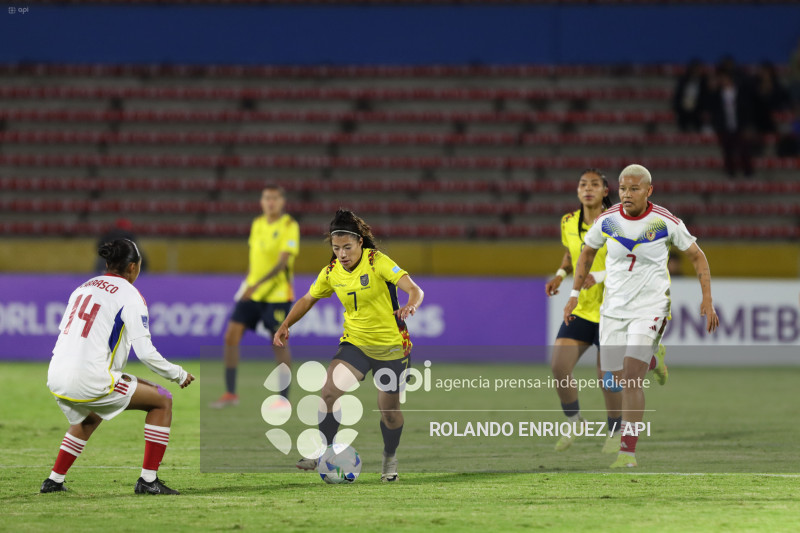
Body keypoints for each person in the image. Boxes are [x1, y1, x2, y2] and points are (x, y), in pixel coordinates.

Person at [564, 164, 719, 469]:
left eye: (634, 189)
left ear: (649, 190)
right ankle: (654, 361)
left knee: (632, 378)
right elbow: (586, 253)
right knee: (612, 381)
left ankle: (627, 453)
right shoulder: (607, 220)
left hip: (650, 307)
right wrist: (573, 294)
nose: (627, 194)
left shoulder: (664, 221)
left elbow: (697, 256)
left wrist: (707, 299)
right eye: (623, 188)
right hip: (613, 309)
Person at [273, 209, 424, 482]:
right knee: (329, 392)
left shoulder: (376, 261)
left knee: (389, 412)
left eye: (347, 247)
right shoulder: (332, 272)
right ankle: (324, 453)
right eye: (336, 248)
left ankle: (390, 458)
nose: (342, 254)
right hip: (356, 344)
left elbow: (415, 289)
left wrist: (411, 305)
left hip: (392, 347)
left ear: (360, 243)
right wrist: (286, 324)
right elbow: (307, 299)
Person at [42, 239, 195, 495]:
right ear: (133, 267)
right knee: (162, 400)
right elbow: (145, 352)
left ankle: (53, 481)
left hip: (55, 375)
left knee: (89, 416)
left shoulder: (83, 288)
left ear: (107, 263)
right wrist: (177, 374)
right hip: (90, 378)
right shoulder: (130, 295)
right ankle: (148, 480)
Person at [546, 169, 667, 454]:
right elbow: (572, 253)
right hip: (583, 309)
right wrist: (561, 275)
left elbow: (635, 262)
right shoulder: (568, 221)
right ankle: (575, 421)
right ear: (577, 191)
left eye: (594, 184)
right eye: (582, 184)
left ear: (605, 191)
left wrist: (599, 276)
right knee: (559, 367)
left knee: (609, 381)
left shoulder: (619, 222)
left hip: (614, 310)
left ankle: (615, 431)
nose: (587, 189)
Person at [211, 184, 300, 408]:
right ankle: (230, 393)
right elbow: (256, 261)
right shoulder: (257, 223)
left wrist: (256, 284)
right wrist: (247, 284)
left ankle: (283, 399)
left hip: (277, 295)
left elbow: (282, 264)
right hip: (252, 292)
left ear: (282, 202)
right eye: (267, 198)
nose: (270, 202)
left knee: (278, 344)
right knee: (230, 336)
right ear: (261, 201)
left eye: (275, 198)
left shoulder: (289, 225)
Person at [673, 59, 710, 133]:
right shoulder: (683, 81)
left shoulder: (703, 82)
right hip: (683, 111)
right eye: (695, 69)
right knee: (683, 131)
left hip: (697, 112)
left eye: (698, 69)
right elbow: (678, 95)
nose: (696, 71)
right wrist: (677, 108)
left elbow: (705, 97)